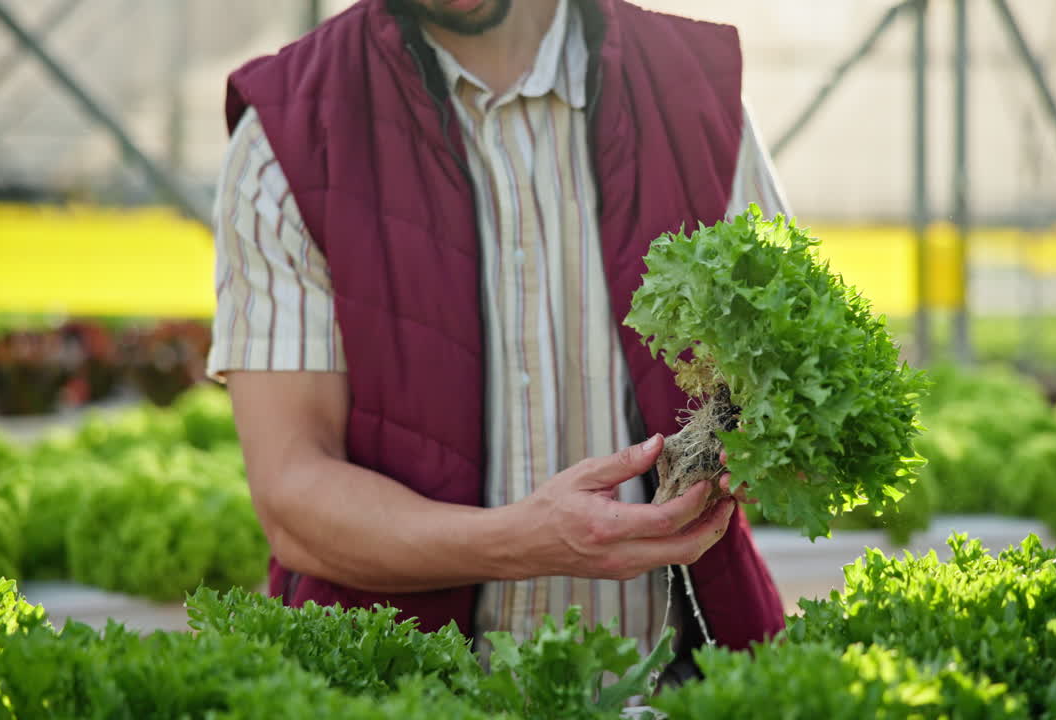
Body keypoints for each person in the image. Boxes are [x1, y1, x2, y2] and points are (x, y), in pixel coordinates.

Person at [209, 0, 791, 670]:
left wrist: (777, 444)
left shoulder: (696, 94)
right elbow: (292, 492)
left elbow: (786, 371)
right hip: (404, 696)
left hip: (682, 681)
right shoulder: (288, 135)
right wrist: (521, 541)